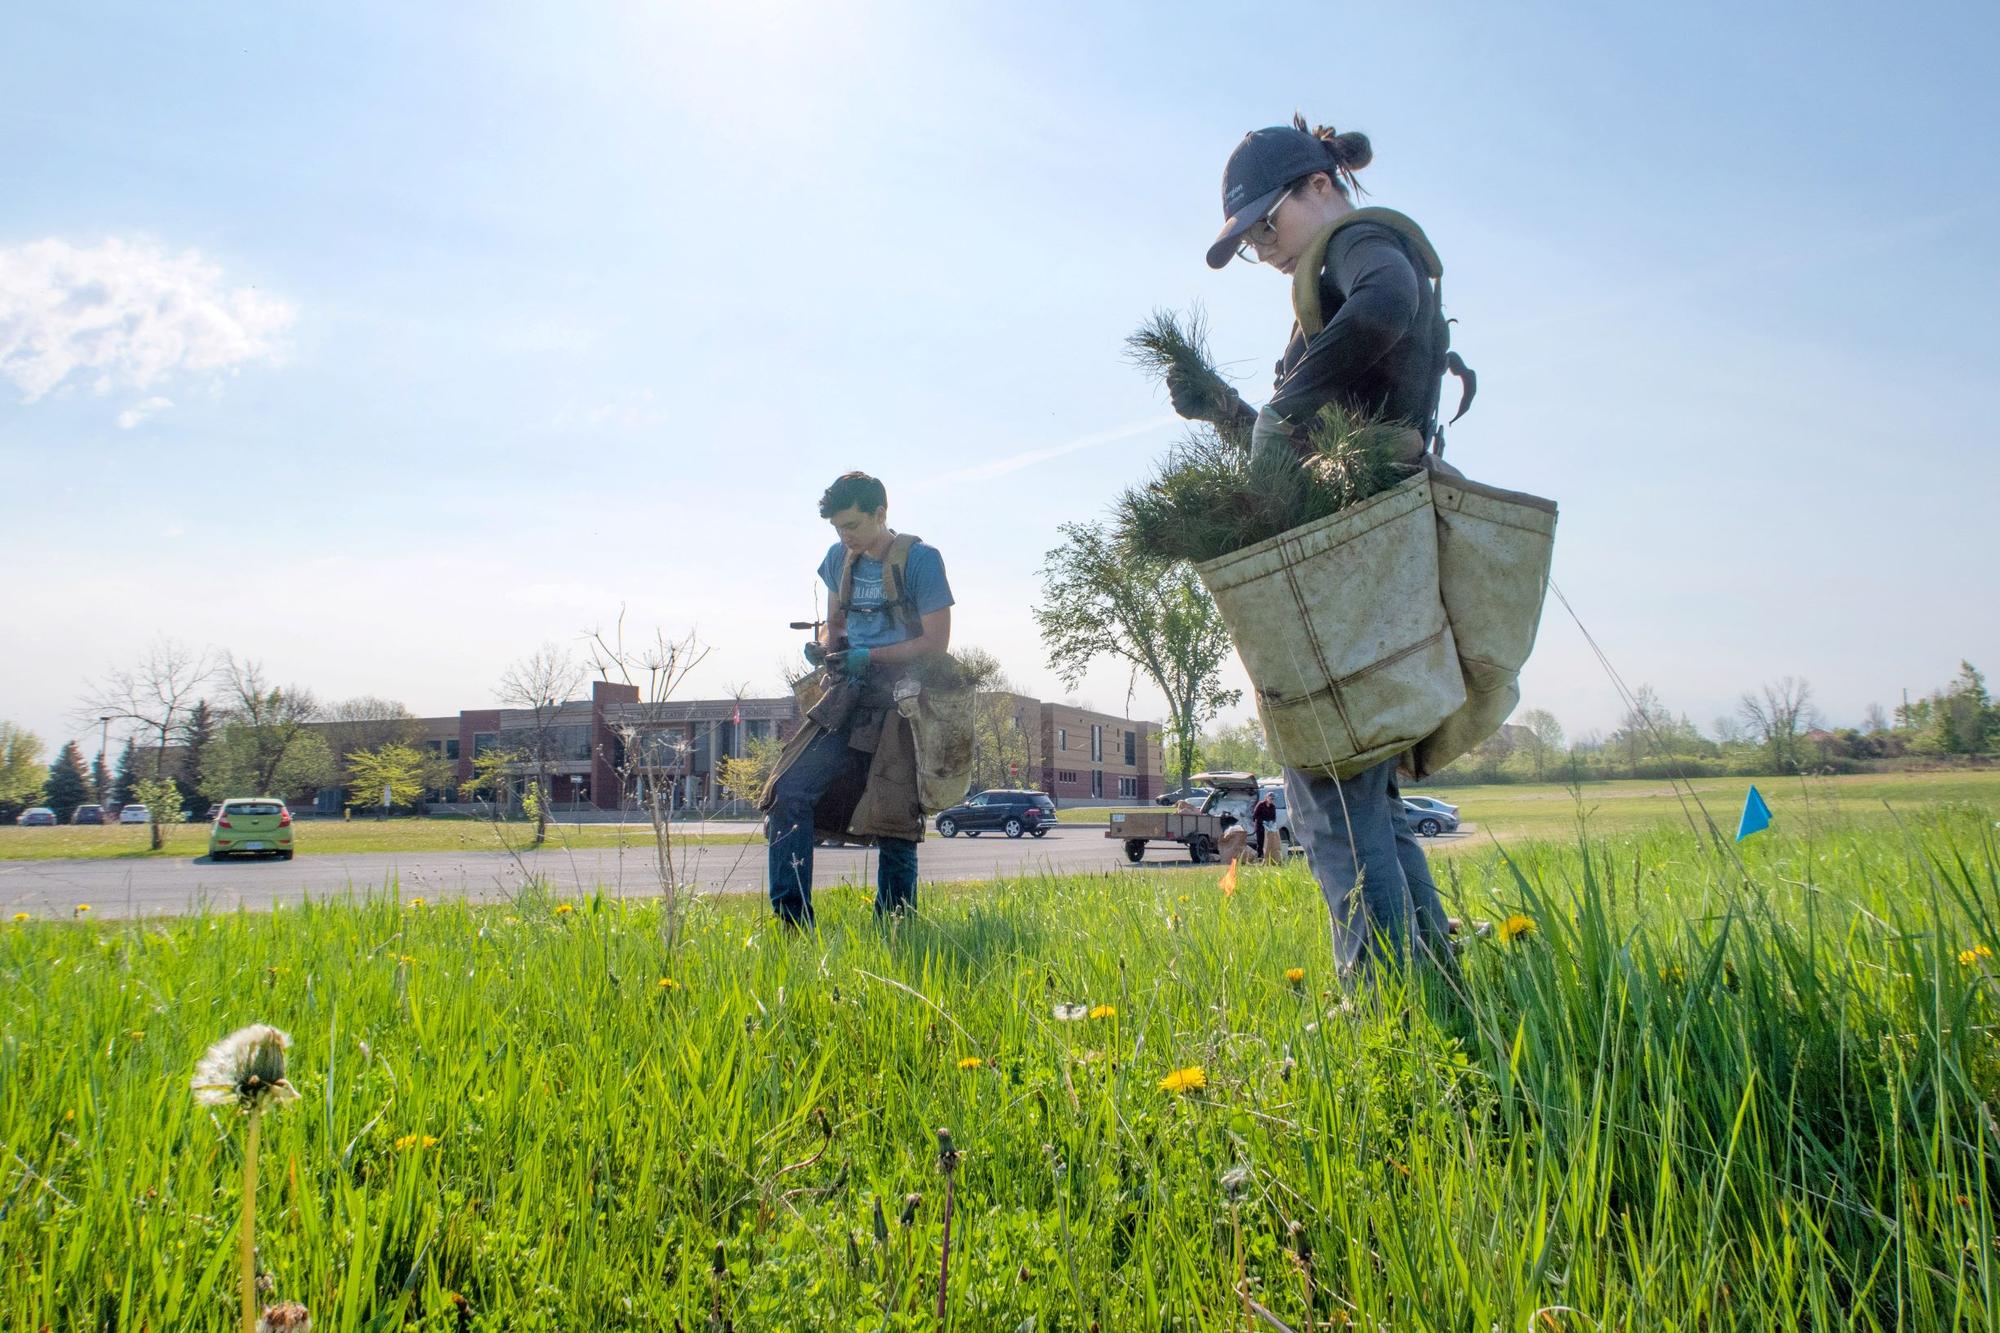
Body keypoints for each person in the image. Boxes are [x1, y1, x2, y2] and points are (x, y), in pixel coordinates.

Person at [1173, 116, 1459, 975]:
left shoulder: (1360, 243)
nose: (1264, 246)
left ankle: (1380, 996)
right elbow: (1302, 449)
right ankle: (1431, 980)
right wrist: (1225, 407)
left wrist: (1284, 403)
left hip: (1353, 561)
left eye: (1269, 222)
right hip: (1363, 548)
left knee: (1330, 789)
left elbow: (1387, 304)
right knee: (1366, 791)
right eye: (1251, 236)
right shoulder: (1324, 283)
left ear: (1321, 186)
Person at [759, 472, 954, 926]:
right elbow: (835, 625)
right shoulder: (838, 559)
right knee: (788, 792)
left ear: (880, 514)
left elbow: (936, 643)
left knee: (895, 820)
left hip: (903, 699)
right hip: (846, 693)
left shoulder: (922, 560)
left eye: (851, 525)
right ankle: (791, 924)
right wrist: (826, 646)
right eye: (837, 528)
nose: (844, 535)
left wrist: (873, 655)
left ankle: (896, 930)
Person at [1251, 789, 1279, 862]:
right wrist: (1262, 821)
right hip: (1260, 826)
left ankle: (1266, 855)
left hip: (1268, 827)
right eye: (1270, 798)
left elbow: (1274, 817)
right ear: (1266, 798)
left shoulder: (1273, 806)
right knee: (1260, 841)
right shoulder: (1261, 804)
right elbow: (1255, 815)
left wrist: (1272, 823)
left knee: (1267, 841)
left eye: (1272, 799)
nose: (1271, 800)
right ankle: (1259, 855)